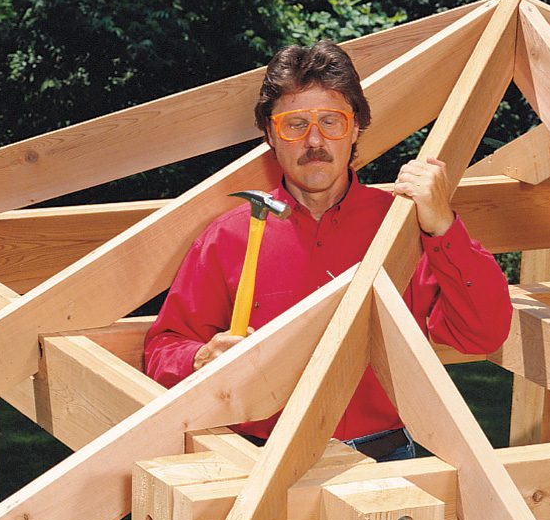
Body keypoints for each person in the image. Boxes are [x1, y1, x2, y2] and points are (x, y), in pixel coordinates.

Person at [144, 39, 513, 460]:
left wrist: (444, 226)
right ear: (270, 133)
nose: (314, 141)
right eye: (295, 124)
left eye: (331, 122)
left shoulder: (401, 228)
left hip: (384, 457)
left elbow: (485, 331)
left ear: (355, 128)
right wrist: (200, 359)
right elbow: (162, 348)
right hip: (258, 461)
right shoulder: (229, 238)